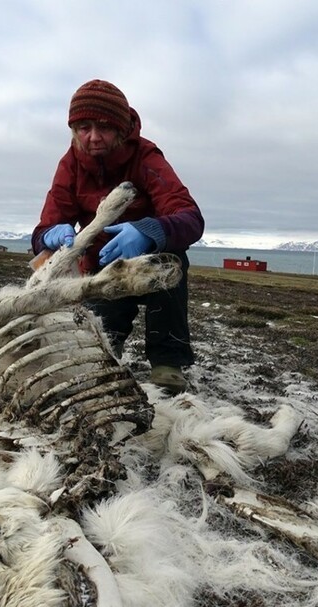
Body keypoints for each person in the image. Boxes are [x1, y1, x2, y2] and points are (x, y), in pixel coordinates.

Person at [32, 79, 204, 394]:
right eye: (83, 127)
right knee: (99, 346)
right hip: (101, 266)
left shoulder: (146, 157)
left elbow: (190, 218)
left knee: (173, 261)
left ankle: (167, 364)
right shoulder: (70, 165)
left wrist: (148, 231)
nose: (93, 137)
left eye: (104, 127)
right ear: (73, 129)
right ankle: (108, 354)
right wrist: (47, 236)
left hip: (150, 259)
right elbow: (46, 226)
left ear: (122, 128)